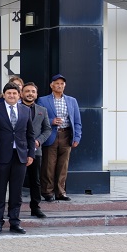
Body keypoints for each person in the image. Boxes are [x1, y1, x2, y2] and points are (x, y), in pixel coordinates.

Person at [0, 83, 35, 234]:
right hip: (1, 157)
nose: (11, 96)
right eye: (9, 93)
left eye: (14, 93)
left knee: (16, 193)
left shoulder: (25, 110)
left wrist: (31, 154)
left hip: (20, 156)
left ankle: (15, 222)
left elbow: (30, 134)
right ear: (4, 95)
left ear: (19, 95)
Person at [37, 74, 81, 202]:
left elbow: (77, 121)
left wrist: (77, 137)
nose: (59, 86)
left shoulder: (72, 101)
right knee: (48, 165)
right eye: (57, 83)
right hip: (50, 134)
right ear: (51, 85)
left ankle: (61, 192)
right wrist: (51, 121)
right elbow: (39, 118)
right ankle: (48, 192)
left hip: (66, 135)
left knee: (63, 165)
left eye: (62, 84)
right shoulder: (43, 100)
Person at [22, 82, 52, 218]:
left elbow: (47, 129)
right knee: (17, 180)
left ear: (36, 94)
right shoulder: (16, 108)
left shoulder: (42, 110)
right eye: (27, 91)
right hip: (19, 150)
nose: (30, 93)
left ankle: (35, 207)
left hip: (36, 150)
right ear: (22, 93)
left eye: (33, 91)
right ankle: (14, 207)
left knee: (36, 180)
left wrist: (39, 141)